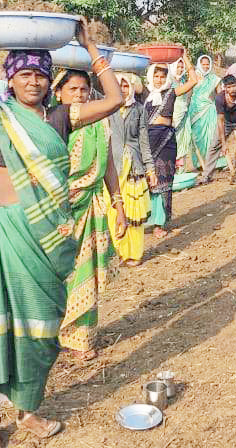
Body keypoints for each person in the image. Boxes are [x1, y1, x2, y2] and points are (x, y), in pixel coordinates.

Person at [0, 10, 124, 445]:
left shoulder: (61, 119)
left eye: (40, 75)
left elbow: (116, 100)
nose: (33, 81)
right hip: (5, 236)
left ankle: (28, 411)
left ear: (50, 81)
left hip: (48, 240)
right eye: (24, 74)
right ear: (11, 80)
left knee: (41, 329)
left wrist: (89, 49)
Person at [53, 70, 128, 361]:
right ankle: (54, 334)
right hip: (60, 211)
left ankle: (82, 338)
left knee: (86, 272)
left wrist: (118, 204)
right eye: (72, 89)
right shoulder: (53, 122)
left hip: (91, 206)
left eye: (84, 90)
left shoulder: (100, 121)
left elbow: (108, 165)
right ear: (59, 92)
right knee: (60, 274)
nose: (79, 95)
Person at [144, 58, 198, 239]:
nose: (159, 79)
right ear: (151, 76)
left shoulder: (171, 92)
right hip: (147, 140)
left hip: (166, 139)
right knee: (146, 180)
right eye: (156, 76)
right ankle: (145, 219)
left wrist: (186, 57)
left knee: (163, 179)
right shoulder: (144, 94)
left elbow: (193, 81)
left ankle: (159, 223)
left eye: (162, 76)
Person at [107, 72, 155, 267]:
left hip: (134, 166)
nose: (123, 90)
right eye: (119, 86)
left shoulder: (139, 110)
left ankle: (134, 254)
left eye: (126, 86)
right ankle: (118, 251)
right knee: (114, 211)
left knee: (134, 212)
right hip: (112, 168)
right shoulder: (107, 109)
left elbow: (144, 141)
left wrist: (150, 168)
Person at [203, 75, 236, 183]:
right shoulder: (219, 98)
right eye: (228, 87)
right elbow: (220, 121)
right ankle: (206, 176)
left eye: (233, 86)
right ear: (225, 88)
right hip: (227, 123)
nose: (232, 89)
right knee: (214, 146)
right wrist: (223, 144)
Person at [182, 55, 223, 176]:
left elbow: (220, 95)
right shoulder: (193, 76)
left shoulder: (214, 79)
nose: (205, 66)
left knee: (211, 136)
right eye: (203, 64)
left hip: (209, 111)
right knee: (197, 137)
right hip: (195, 110)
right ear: (199, 64)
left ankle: (213, 163)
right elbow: (187, 93)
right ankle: (199, 163)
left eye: (207, 64)